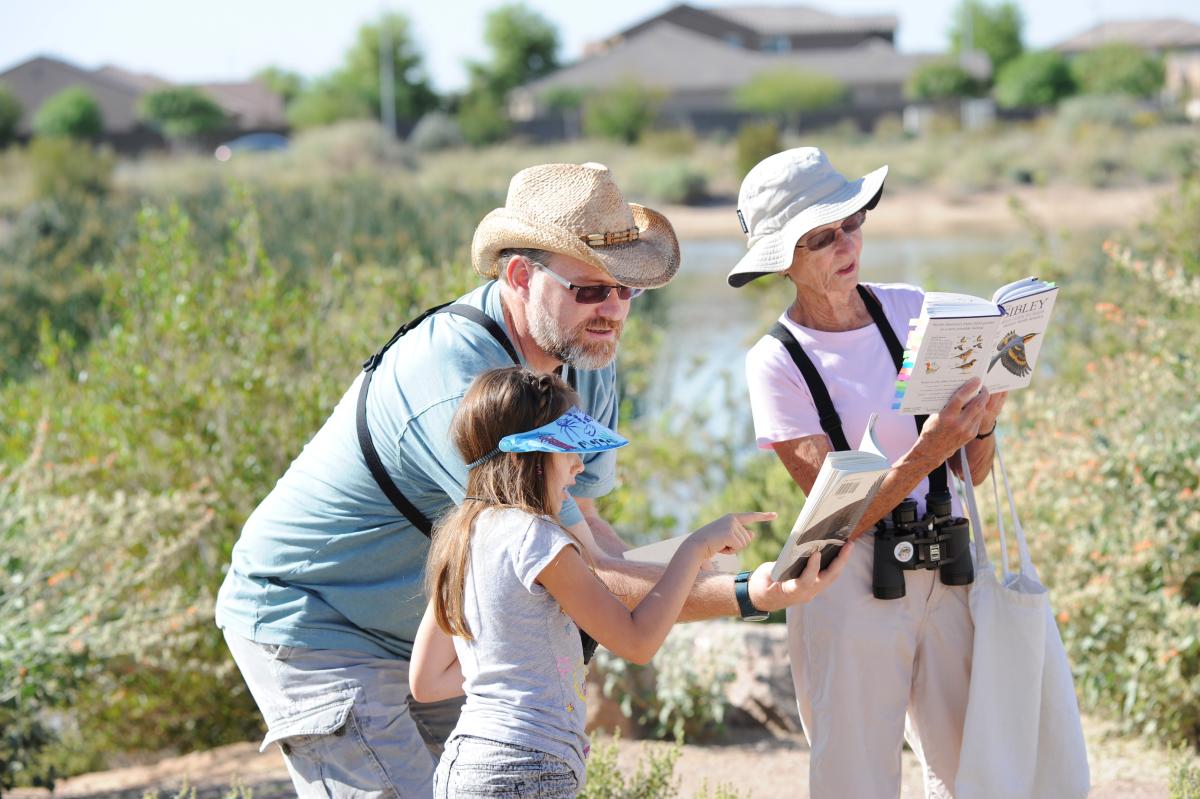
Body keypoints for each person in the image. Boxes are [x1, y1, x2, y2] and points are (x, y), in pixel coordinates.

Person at [215, 161, 848, 798]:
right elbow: (582, 576)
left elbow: (593, 540)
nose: (614, 311)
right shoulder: (471, 391)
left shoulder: (584, 355)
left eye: (627, 291)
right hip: (318, 622)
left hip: (437, 637)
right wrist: (747, 592)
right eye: (591, 290)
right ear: (521, 275)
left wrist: (709, 575)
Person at [729, 147, 1007, 798]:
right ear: (783, 259)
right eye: (822, 236)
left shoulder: (913, 309)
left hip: (951, 564)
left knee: (979, 773)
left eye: (853, 221)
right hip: (847, 583)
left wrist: (984, 418)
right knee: (856, 781)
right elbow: (837, 516)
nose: (846, 242)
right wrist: (932, 447)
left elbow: (974, 473)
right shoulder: (774, 363)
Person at [408, 366, 796, 798]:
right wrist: (695, 548)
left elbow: (425, 680)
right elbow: (636, 640)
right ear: (527, 458)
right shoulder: (536, 537)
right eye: (567, 450)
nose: (578, 466)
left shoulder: (461, 534)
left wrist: (518, 666)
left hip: (464, 767)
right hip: (526, 768)